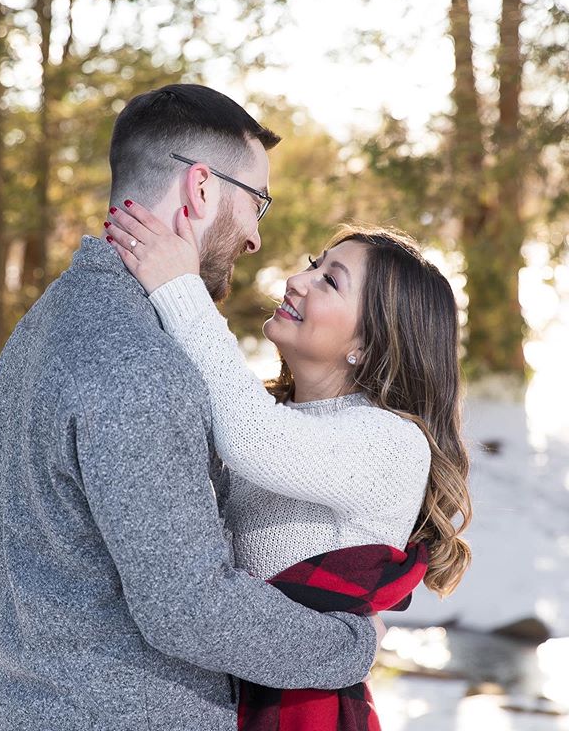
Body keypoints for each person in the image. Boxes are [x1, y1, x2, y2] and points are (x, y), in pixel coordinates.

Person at [0, 85, 383, 731]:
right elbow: (189, 607)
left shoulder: (45, 324)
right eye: (257, 203)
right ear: (200, 189)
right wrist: (349, 647)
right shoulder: (137, 361)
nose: (253, 237)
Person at [103, 202, 473, 727]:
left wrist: (177, 285)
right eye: (313, 264)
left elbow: (252, 437)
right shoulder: (277, 413)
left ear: (367, 345)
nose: (298, 280)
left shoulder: (391, 443)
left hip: (301, 712)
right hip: (228, 689)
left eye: (331, 282)